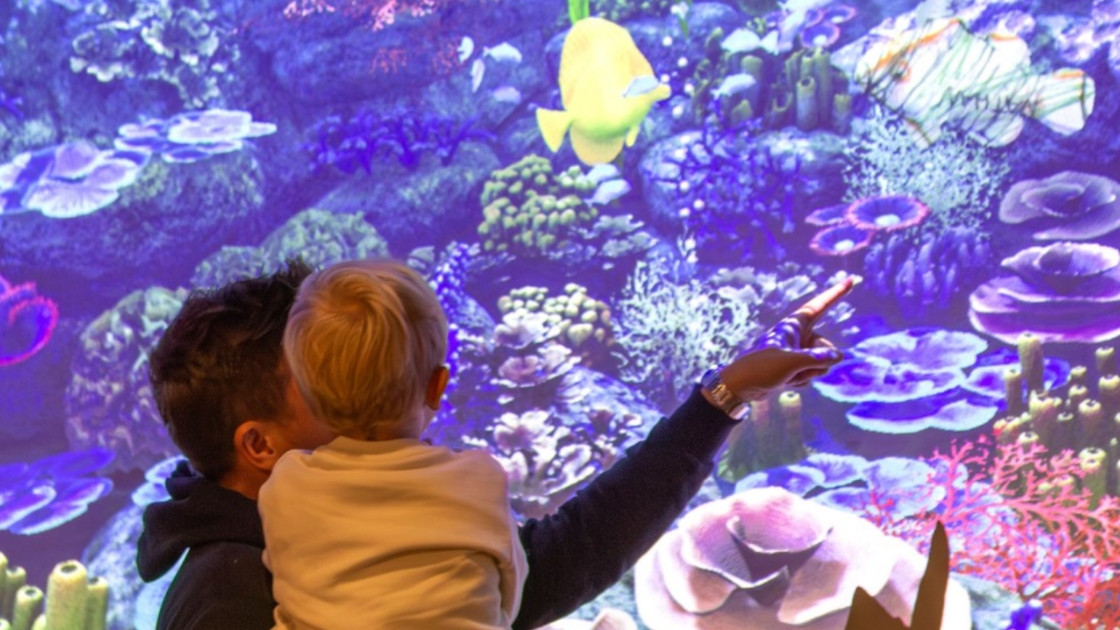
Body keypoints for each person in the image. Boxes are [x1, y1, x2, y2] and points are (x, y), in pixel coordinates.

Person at [136, 259, 852, 630]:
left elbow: (570, 552)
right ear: (259, 446)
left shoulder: (366, 537)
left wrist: (725, 395)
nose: (357, 389)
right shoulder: (227, 594)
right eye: (320, 380)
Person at [261, 258, 527, 629]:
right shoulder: (480, 479)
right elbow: (510, 591)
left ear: (304, 395)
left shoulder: (284, 486)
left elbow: (285, 578)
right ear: (437, 387)